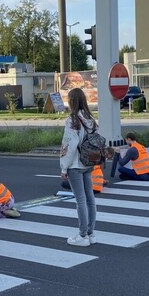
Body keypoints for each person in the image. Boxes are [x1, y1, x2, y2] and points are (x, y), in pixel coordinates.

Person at [60, 88, 98, 247]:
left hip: (75, 164)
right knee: (90, 199)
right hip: (88, 162)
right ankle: (91, 233)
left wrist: (63, 167)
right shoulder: (91, 119)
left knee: (80, 200)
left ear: (72, 101)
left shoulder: (73, 120)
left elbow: (69, 145)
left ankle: (82, 235)